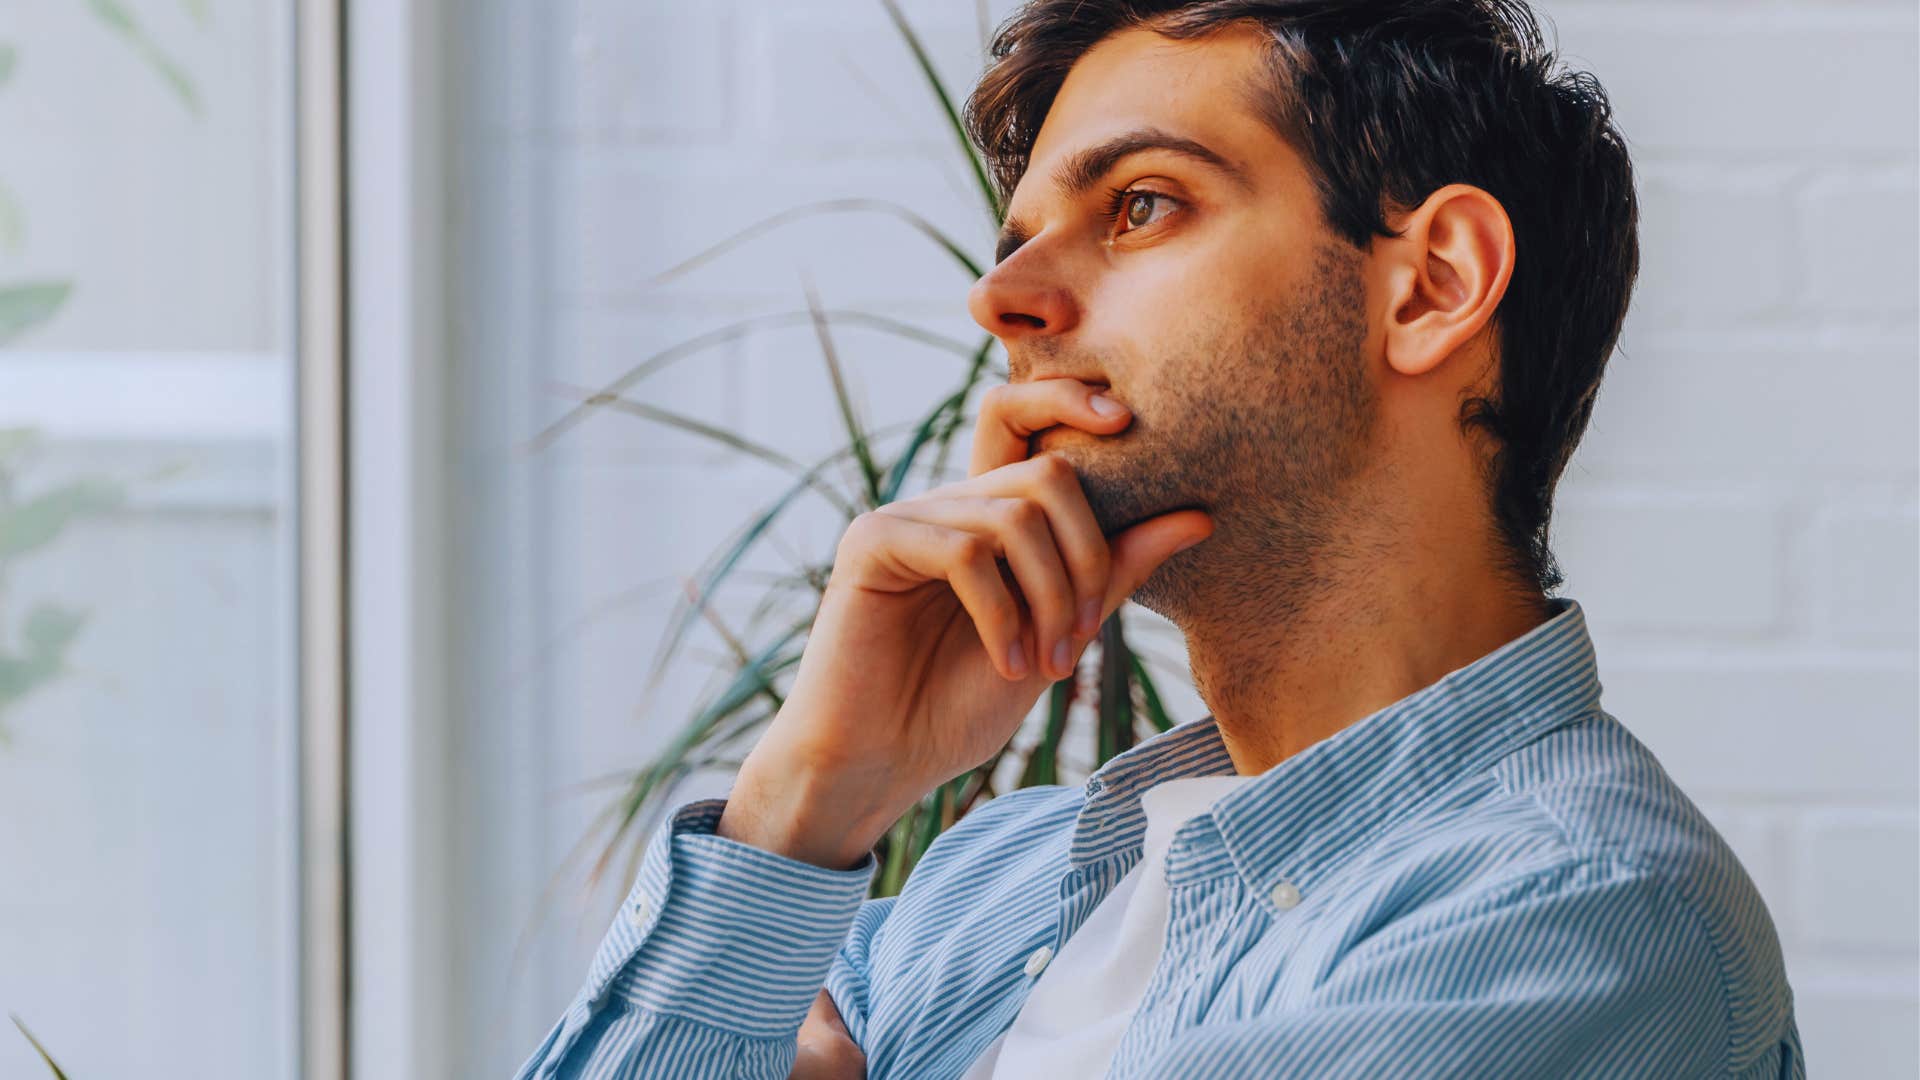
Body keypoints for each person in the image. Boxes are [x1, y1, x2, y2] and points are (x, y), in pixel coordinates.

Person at [515, 1, 1805, 1077]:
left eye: (1139, 206)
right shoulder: (986, 887)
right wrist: (806, 801)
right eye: (1017, 240)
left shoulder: (1576, 920)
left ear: (1432, 283)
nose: (1002, 300)